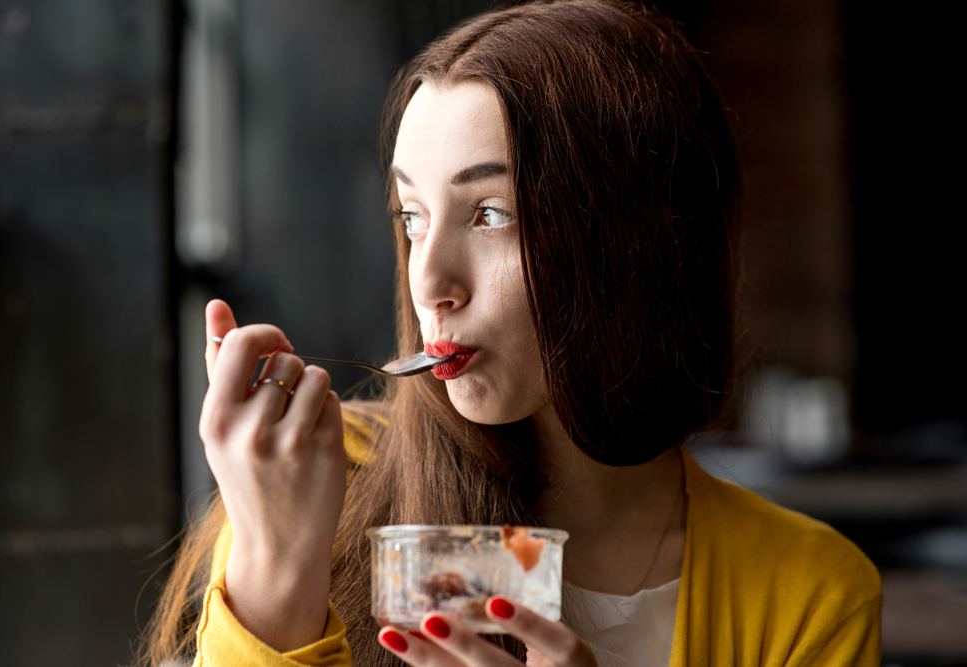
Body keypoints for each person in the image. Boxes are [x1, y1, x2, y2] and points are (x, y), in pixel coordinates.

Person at [138, 1, 881, 665]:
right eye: (411, 217)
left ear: (641, 243)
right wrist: (274, 572)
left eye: (489, 214)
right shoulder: (314, 490)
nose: (429, 283)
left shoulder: (809, 594)